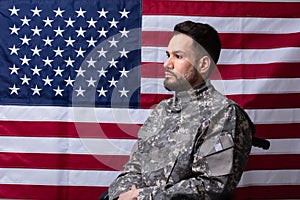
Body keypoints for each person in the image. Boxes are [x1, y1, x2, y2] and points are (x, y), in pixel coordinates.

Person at [108, 20, 255, 200]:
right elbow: (134, 167)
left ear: (203, 65)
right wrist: (121, 195)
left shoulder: (224, 114)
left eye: (178, 56)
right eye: (167, 55)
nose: (167, 64)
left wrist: (143, 196)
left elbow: (212, 186)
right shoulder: (162, 110)